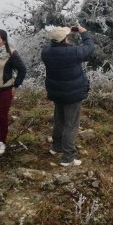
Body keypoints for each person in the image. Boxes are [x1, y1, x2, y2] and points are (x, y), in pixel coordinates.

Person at [41, 25, 95, 167]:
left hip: (56, 92)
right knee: (71, 124)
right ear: (65, 39)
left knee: (60, 120)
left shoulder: (46, 52)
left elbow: (56, 44)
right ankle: (68, 157)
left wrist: (62, 33)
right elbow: (89, 47)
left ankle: (56, 146)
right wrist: (84, 32)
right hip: (72, 93)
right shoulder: (73, 52)